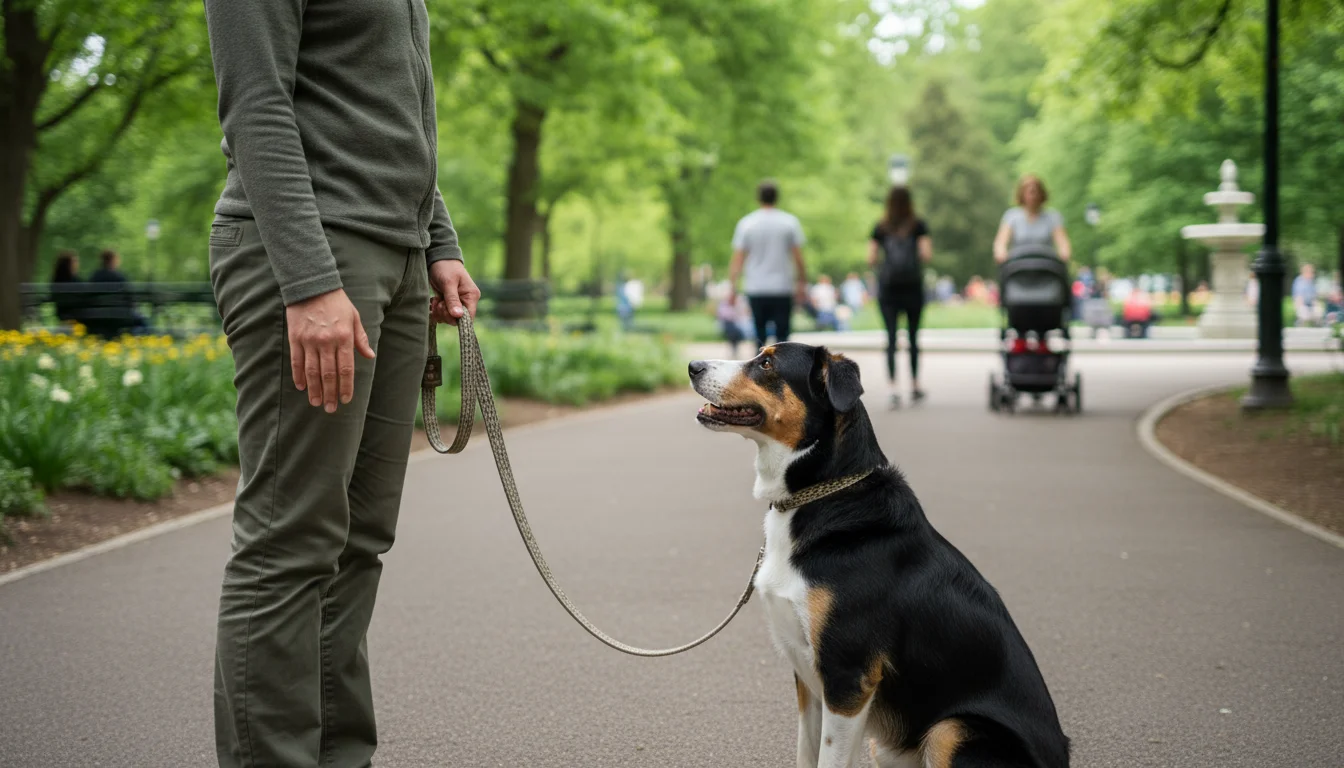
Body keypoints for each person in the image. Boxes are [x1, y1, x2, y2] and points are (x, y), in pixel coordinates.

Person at [203, 2, 481, 767]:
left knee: (359, 539)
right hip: (311, 256)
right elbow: (256, 105)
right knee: (292, 537)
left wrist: (438, 240)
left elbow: (399, 111)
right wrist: (307, 280)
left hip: (391, 256)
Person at [869, 186, 933, 408]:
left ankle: (892, 388)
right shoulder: (918, 225)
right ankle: (915, 385)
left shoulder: (880, 226)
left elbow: (871, 258)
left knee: (891, 338)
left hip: (889, 289)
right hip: (912, 287)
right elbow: (926, 254)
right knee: (914, 337)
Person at [727, 180, 808, 350]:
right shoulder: (789, 223)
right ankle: (784, 374)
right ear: (777, 197)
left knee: (759, 337)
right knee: (783, 339)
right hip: (782, 287)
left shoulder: (747, 224)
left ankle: (757, 375)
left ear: (758, 198)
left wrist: (732, 288)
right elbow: (798, 258)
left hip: (756, 287)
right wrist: (802, 283)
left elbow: (738, 260)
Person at [993, 174, 1072, 263]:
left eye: (1035, 192)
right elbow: (1000, 242)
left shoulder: (1053, 217)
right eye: (1029, 192)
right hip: (1018, 265)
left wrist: (1064, 254)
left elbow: (1063, 242)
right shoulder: (1011, 216)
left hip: (1046, 265)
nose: (1032, 196)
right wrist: (1001, 253)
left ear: (1041, 194)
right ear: (1021, 194)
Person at [89, 249, 149, 336]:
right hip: (121, 316)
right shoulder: (119, 277)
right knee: (142, 320)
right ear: (113, 260)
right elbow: (130, 298)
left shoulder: (95, 277)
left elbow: (89, 298)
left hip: (98, 317)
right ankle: (137, 339)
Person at [50, 250, 86, 325]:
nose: (77, 264)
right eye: (75, 262)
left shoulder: (57, 281)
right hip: (76, 315)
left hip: (63, 315)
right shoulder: (74, 281)